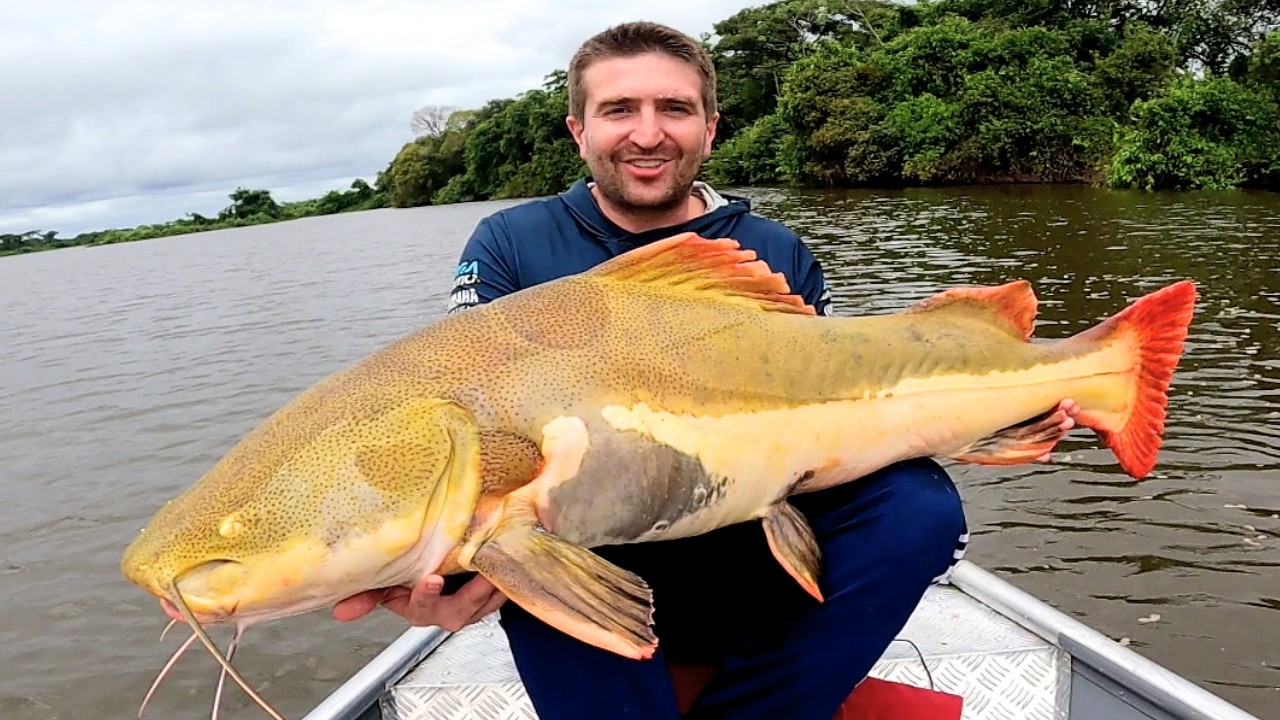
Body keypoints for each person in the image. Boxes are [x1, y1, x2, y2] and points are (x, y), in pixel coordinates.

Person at [335, 21, 970, 720]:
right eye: (619, 110)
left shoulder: (775, 251)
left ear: (710, 127)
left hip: (749, 552)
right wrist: (436, 571)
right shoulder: (511, 247)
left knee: (921, 506)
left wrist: (973, 420)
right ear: (578, 130)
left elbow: (834, 413)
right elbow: (465, 425)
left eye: (674, 109)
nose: (647, 133)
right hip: (585, 558)